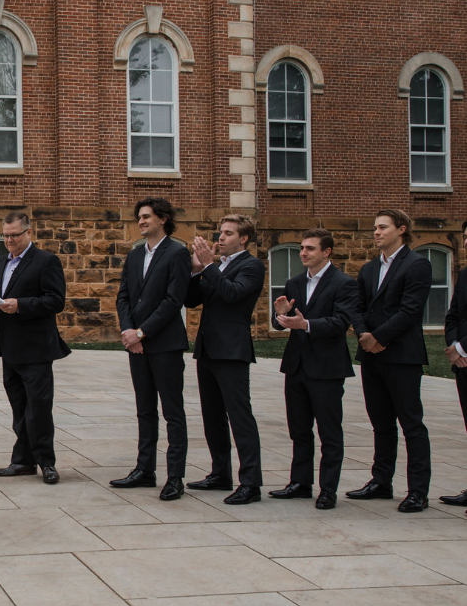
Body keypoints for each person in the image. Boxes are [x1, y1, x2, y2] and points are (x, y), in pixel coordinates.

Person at [347, 209, 432, 513]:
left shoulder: (418, 265)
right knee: (381, 423)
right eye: (375, 228)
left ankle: (418, 491)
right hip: (371, 355)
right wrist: (364, 334)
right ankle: (381, 481)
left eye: (383, 227)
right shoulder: (369, 269)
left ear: (402, 229)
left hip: (402, 357)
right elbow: (356, 305)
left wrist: (378, 337)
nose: (377, 232)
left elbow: (410, 311)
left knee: (411, 424)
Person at [0, 211, 70, 485]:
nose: (8, 240)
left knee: (39, 408)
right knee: (20, 408)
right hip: (8, 348)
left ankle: (47, 463)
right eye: (5, 236)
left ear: (28, 233)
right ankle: (23, 461)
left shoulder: (46, 261)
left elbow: (56, 301)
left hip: (36, 349)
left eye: (14, 236)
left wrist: (20, 304)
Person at [271, 229, 359, 510]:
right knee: (299, 429)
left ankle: (328, 489)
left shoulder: (343, 283)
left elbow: (340, 323)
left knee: (329, 431)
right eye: (302, 248)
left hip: (327, 368)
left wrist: (306, 324)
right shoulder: (294, 282)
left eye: (310, 248)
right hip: (296, 365)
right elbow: (283, 323)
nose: (304, 253)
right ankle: (300, 482)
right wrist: (280, 316)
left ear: (327, 251)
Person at [112, 198, 192, 501]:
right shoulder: (134, 256)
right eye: (139, 217)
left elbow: (174, 301)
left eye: (146, 216)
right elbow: (123, 297)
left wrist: (142, 332)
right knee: (144, 410)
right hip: (137, 347)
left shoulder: (177, 253)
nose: (141, 221)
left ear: (163, 219)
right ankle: (144, 470)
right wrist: (128, 331)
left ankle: (175, 477)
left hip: (165, 345)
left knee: (173, 412)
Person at [184, 214, 266, 505]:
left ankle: (251, 483)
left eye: (227, 234)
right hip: (207, 349)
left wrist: (209, 266)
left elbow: (232, 295)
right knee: (212, 417)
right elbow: (191, 300)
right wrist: (196, 271)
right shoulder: (216, 267)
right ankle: (220, 473)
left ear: (243, 238)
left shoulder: (252, 266)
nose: (220, 238)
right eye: (220, 233)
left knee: (240, 417)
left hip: (232, 351)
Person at [441, 220, 467, 507]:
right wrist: (453, 347)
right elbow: (453, 316)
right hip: (462, 365)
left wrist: (462, 346)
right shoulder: (465, 274)